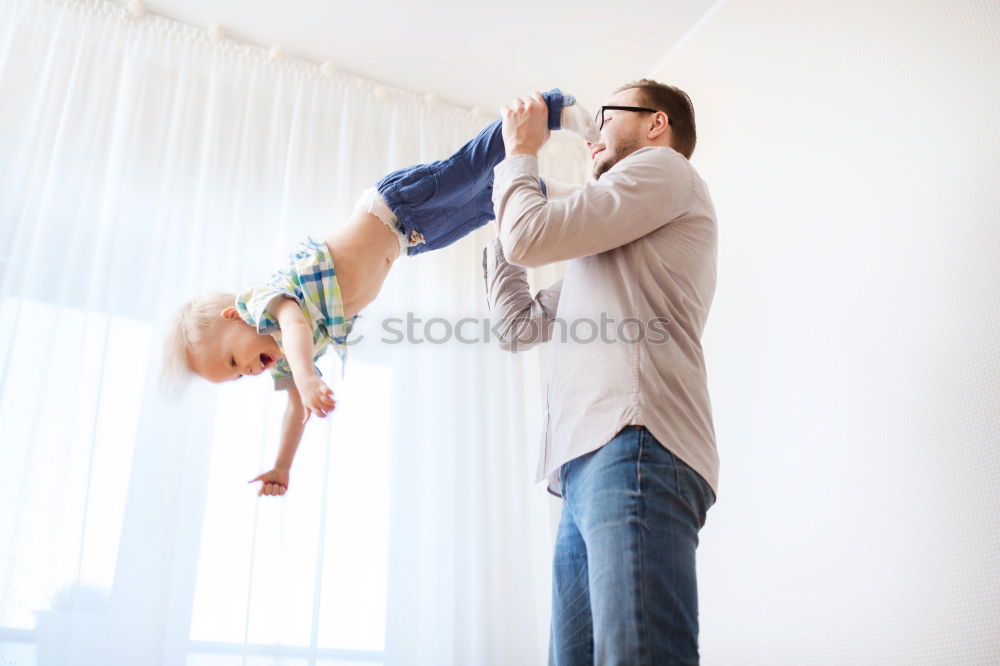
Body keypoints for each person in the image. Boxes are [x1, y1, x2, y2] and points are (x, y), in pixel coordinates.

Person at [162, 89, 599, 497]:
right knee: (489, 205)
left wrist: (308, 376)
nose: (248, 372)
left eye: (234, 361)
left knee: (468, 168)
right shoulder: (291, 360)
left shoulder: (261, 304)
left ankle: (551, 108)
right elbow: (294, 412)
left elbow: (295, 322)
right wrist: (282, 466)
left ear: (233, 319)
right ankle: (553, 195)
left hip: (395, 205)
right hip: (413, 236)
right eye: (238, 376)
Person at [485, 79, 719, 664]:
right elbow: (516, 325)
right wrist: (494, 213)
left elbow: (532, 234)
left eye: (605, 115)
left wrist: (520, 156)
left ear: (655, 124)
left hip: (636, 442)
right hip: (588, 461)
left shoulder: (664, 169)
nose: (592, 131)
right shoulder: (613, 257)